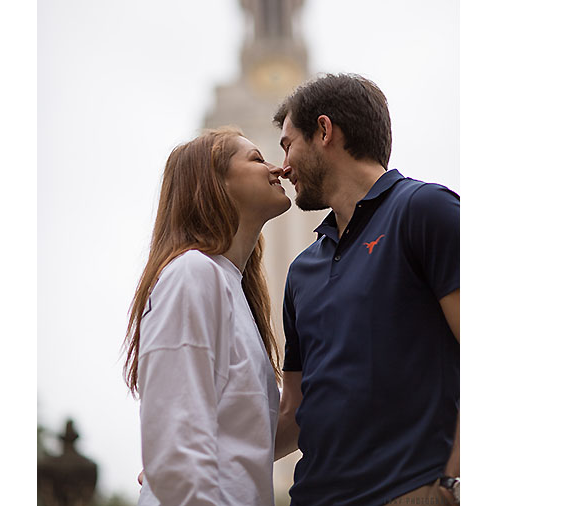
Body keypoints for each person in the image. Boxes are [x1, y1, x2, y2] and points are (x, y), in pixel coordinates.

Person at [271, 73, 461, 505]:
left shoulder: (425, 211)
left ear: (323, 131)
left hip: (410, 492)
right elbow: (294, 412)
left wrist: (450, 484)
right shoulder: (303, 271)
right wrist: (195, 457)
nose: (282, 166)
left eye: (287, 144)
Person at [123, 127, 292, 506]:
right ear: (216, 183)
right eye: (256, 158)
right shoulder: (193, 273)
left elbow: (249, 436)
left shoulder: (232, 289)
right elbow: (176, 445)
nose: (277, 169)